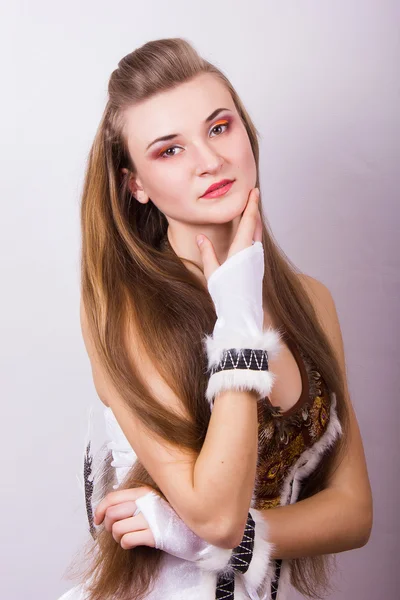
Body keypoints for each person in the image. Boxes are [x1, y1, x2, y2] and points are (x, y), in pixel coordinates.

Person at [59, 37, 372, 600]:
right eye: (169, 150)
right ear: (136, 184)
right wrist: (237, 313)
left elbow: (353, 513)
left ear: (246, 132)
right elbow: (217, 514)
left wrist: (220, 543)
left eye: (219, 127)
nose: (210, 161)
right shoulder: (124, 309)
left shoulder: (312, 301)